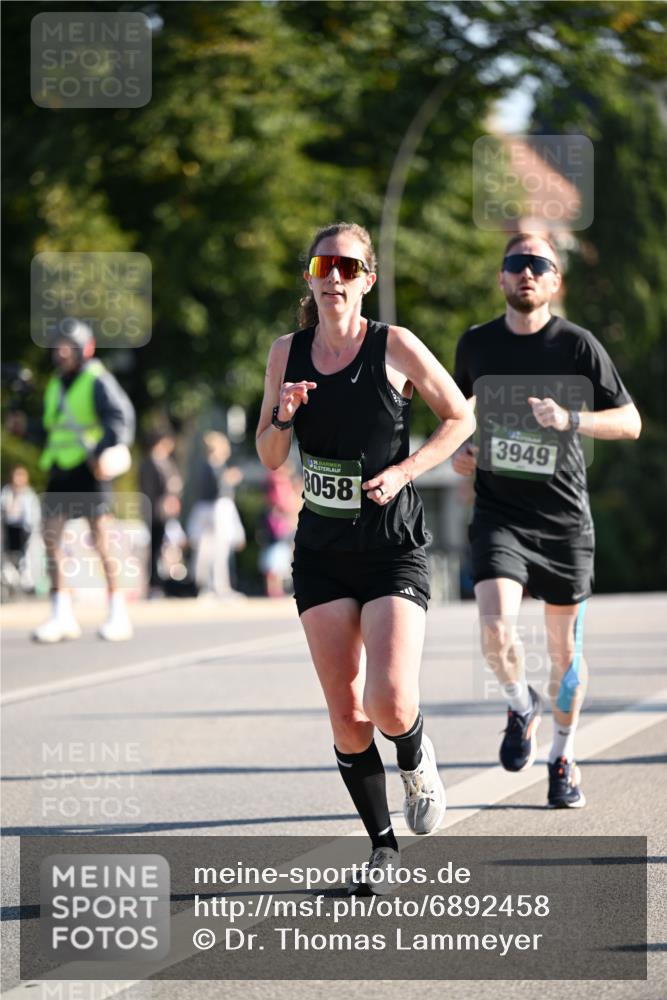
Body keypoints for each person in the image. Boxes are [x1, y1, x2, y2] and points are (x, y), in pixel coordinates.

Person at [256, 222, 474, 891]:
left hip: (389, 545)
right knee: (345, 711)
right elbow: (268, 453)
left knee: (388, 699)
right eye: (323, 265)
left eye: (347, 267)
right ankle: (381, 846)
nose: (334, 277)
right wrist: (285, 415)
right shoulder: (284, 354)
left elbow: (459, 417)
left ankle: (413, 754)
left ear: (366, 278)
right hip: (322, 547)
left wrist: (406, 470)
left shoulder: (395, 345)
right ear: (309, 277)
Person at [452, 233, 641, 808]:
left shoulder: (578, 347)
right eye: (516, 264)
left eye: (538, 265)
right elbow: (457, 424)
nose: (526, 273)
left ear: (555, 280)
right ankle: (518, 703)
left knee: (564, 657)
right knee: (494, 630)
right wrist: (462, 455)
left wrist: (571, 419)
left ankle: (562, 756)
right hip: (500, 516)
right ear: (502, 278)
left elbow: (630, 421)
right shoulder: (476, 345)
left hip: (563, 522)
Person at [33, 319, 136, 642]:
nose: (60, 352)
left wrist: (102, 451)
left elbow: (121, 419)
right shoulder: (55, 384)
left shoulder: (97, 379)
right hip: (60, 469)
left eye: (67, 346)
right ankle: (60, 611)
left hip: (89, 471)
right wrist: (25, 429)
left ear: (83, 349)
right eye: (57, 345)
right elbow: (52, 429)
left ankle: (118, 612)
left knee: (102, 540)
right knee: (50, 538)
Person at [187, 431, 245, 598]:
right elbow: (216, 490)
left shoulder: (213, 466)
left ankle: (215, 586)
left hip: (215, 510)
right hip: (215, 511)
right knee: (216, 550)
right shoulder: (213, 466)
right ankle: (215, 587)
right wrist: (228, 479)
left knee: (216, 550)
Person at [139, 429, 183, 597]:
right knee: (155, 548)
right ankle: (153, 584)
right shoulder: (149, 463)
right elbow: (149, 490)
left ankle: (163, 582)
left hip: (165, 511)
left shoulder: (166, 462)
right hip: (155, 511)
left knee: (165, 547)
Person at [258, 462, 301, 598]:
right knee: (276, 559)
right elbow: (284, 505)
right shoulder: (278, 483)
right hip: (280, 527)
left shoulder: (276, 483)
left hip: (280, 527)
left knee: (279, 558)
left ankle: (277, 589)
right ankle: (275, 590)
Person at [1, 464, 41, 594]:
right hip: (7, 532)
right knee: (7, 560)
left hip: (25, 533)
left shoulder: (29, 495)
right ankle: (9, 581)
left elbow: (33, 519)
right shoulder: (6, 493)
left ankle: (25, 583)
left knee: (25, 560)